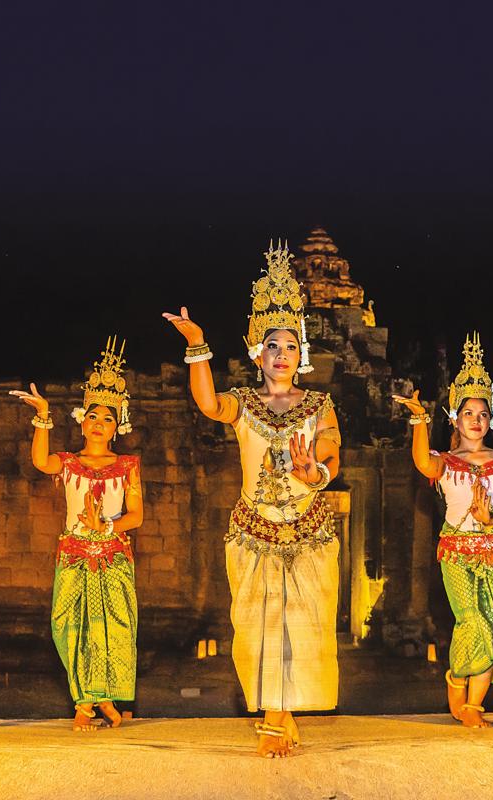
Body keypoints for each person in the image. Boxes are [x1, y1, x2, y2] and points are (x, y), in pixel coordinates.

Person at [163, 241, 342, 757]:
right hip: (255, 531)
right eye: (271, 346)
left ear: (300, 354)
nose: (281, 354)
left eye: (289, 346)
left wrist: (316, 472)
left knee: (303, 626)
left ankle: (279, 713)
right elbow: (207, 404)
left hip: (308, 529)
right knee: (260, 626)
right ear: (255, 352)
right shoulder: (242, 402)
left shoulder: (319, 403)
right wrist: (198, 346)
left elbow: (330, 448)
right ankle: (273, 713)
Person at [393, 332, 493, 727]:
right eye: (468, 414)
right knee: (472, 619)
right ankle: (457, 676)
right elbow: (422, 462)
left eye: (483, 414)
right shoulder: (445, 461)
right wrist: (419, 419)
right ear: (455, 418)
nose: (476, 421)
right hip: (457, 551)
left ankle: (474, 706)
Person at [10, 337, 143, 731]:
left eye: (108, 419)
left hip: (113, 555)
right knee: (68, 625)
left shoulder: (128, 465)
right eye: (93, 417)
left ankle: (98, 702)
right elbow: (39, 460)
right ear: (81, 420)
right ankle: (87, 699)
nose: (99, 424)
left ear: (117, 427)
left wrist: (107, 525)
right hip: (73, 554)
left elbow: (135, 515)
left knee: (115, 628)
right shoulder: (67, 463)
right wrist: (43, 417)